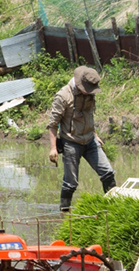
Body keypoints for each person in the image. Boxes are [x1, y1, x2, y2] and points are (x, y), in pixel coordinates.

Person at [48, 65, 116, 211]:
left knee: (108, 173)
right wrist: (53, 148)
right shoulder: (63, 96)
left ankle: (113, 209)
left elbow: (89, 115)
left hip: (90, 140)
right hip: (71, 143)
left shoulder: (90, 94)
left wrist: (95, 135)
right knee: (71, 183)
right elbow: (53, 124)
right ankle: (64, 212)